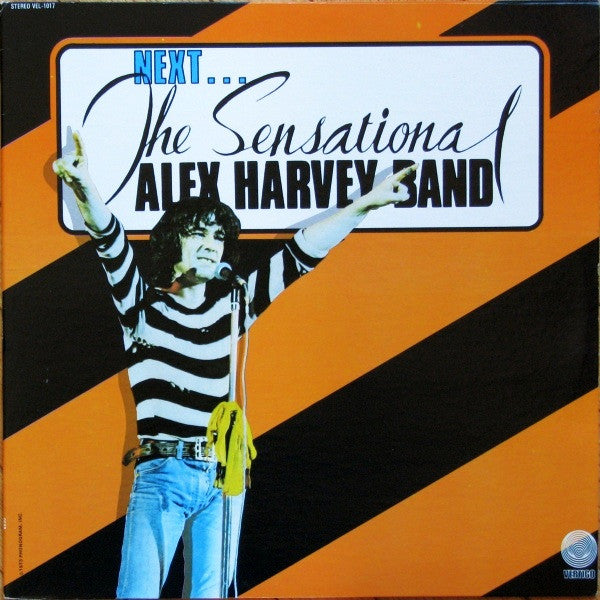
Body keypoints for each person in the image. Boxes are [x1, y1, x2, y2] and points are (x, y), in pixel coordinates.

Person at [53, 131, 416, 599]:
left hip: (223, 477)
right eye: (198, 233)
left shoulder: (233, 306)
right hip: (163, 475)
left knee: (212, 594)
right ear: (172, 241)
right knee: (138, 594)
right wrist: (82, 184)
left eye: (219, 236)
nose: (211, 244)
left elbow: (300, 254)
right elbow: (110, 240)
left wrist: (365, 205)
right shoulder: (141, 307)